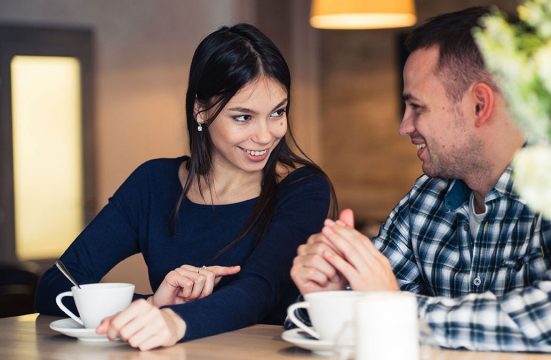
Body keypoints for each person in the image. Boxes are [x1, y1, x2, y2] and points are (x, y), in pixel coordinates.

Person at [290, 7, 551, 353]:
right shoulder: (425, 199)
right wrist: (330, 296)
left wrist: (391, 310)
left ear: (479, 105)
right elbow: (346, 310)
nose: (404, 127)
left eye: (417, 107)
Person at [35, 23, 336, 351]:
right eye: (243, 117)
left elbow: (259, 292)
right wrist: (151, 305)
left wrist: (173, 320)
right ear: (201, 111)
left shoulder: (302, 188)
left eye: (277, 112)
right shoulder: (153, 184)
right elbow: (57, 284)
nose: (265, 136)